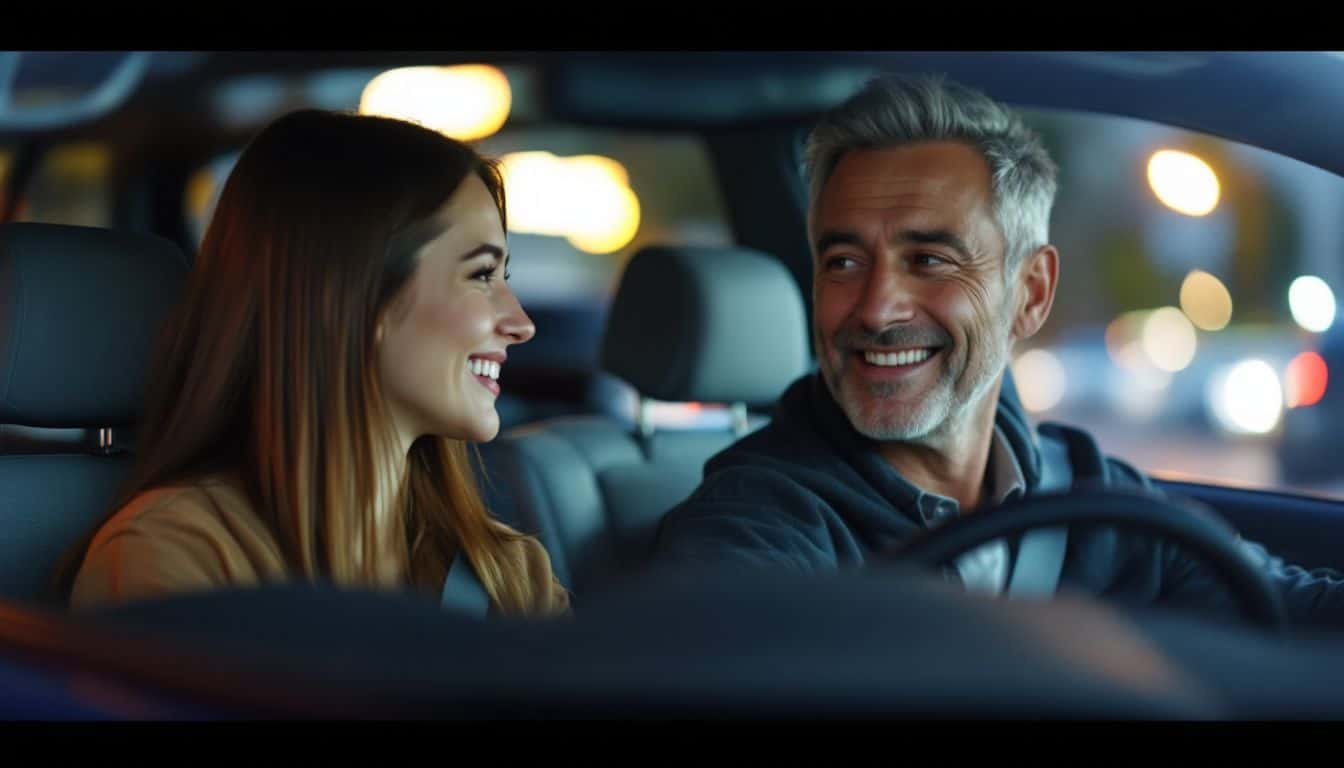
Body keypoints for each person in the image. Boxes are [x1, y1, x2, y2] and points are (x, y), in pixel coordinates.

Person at [653, 74, 1344, 628]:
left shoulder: (1090, 500)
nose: (873, 307)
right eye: (842, 262)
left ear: (1031, 293)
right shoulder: (757, 521)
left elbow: (1293, 611)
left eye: (928, 259)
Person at [65, 109, 569, 618]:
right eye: (482, 275)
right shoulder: (176, 559)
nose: (521, 323)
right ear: (352, 297)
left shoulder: (508, 572)